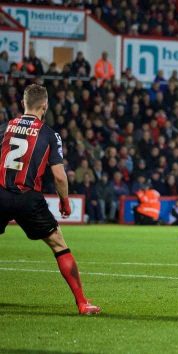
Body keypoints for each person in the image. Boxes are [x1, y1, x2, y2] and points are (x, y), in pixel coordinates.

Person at [0, 84, 100, 315]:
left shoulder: (5, 127)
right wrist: (64, 202)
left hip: (1, 193)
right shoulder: (49, 134)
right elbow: (59, 176)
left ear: (23, 103)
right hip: (28, 198)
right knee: (59, 246)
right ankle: (82, 303)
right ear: (45, 105)